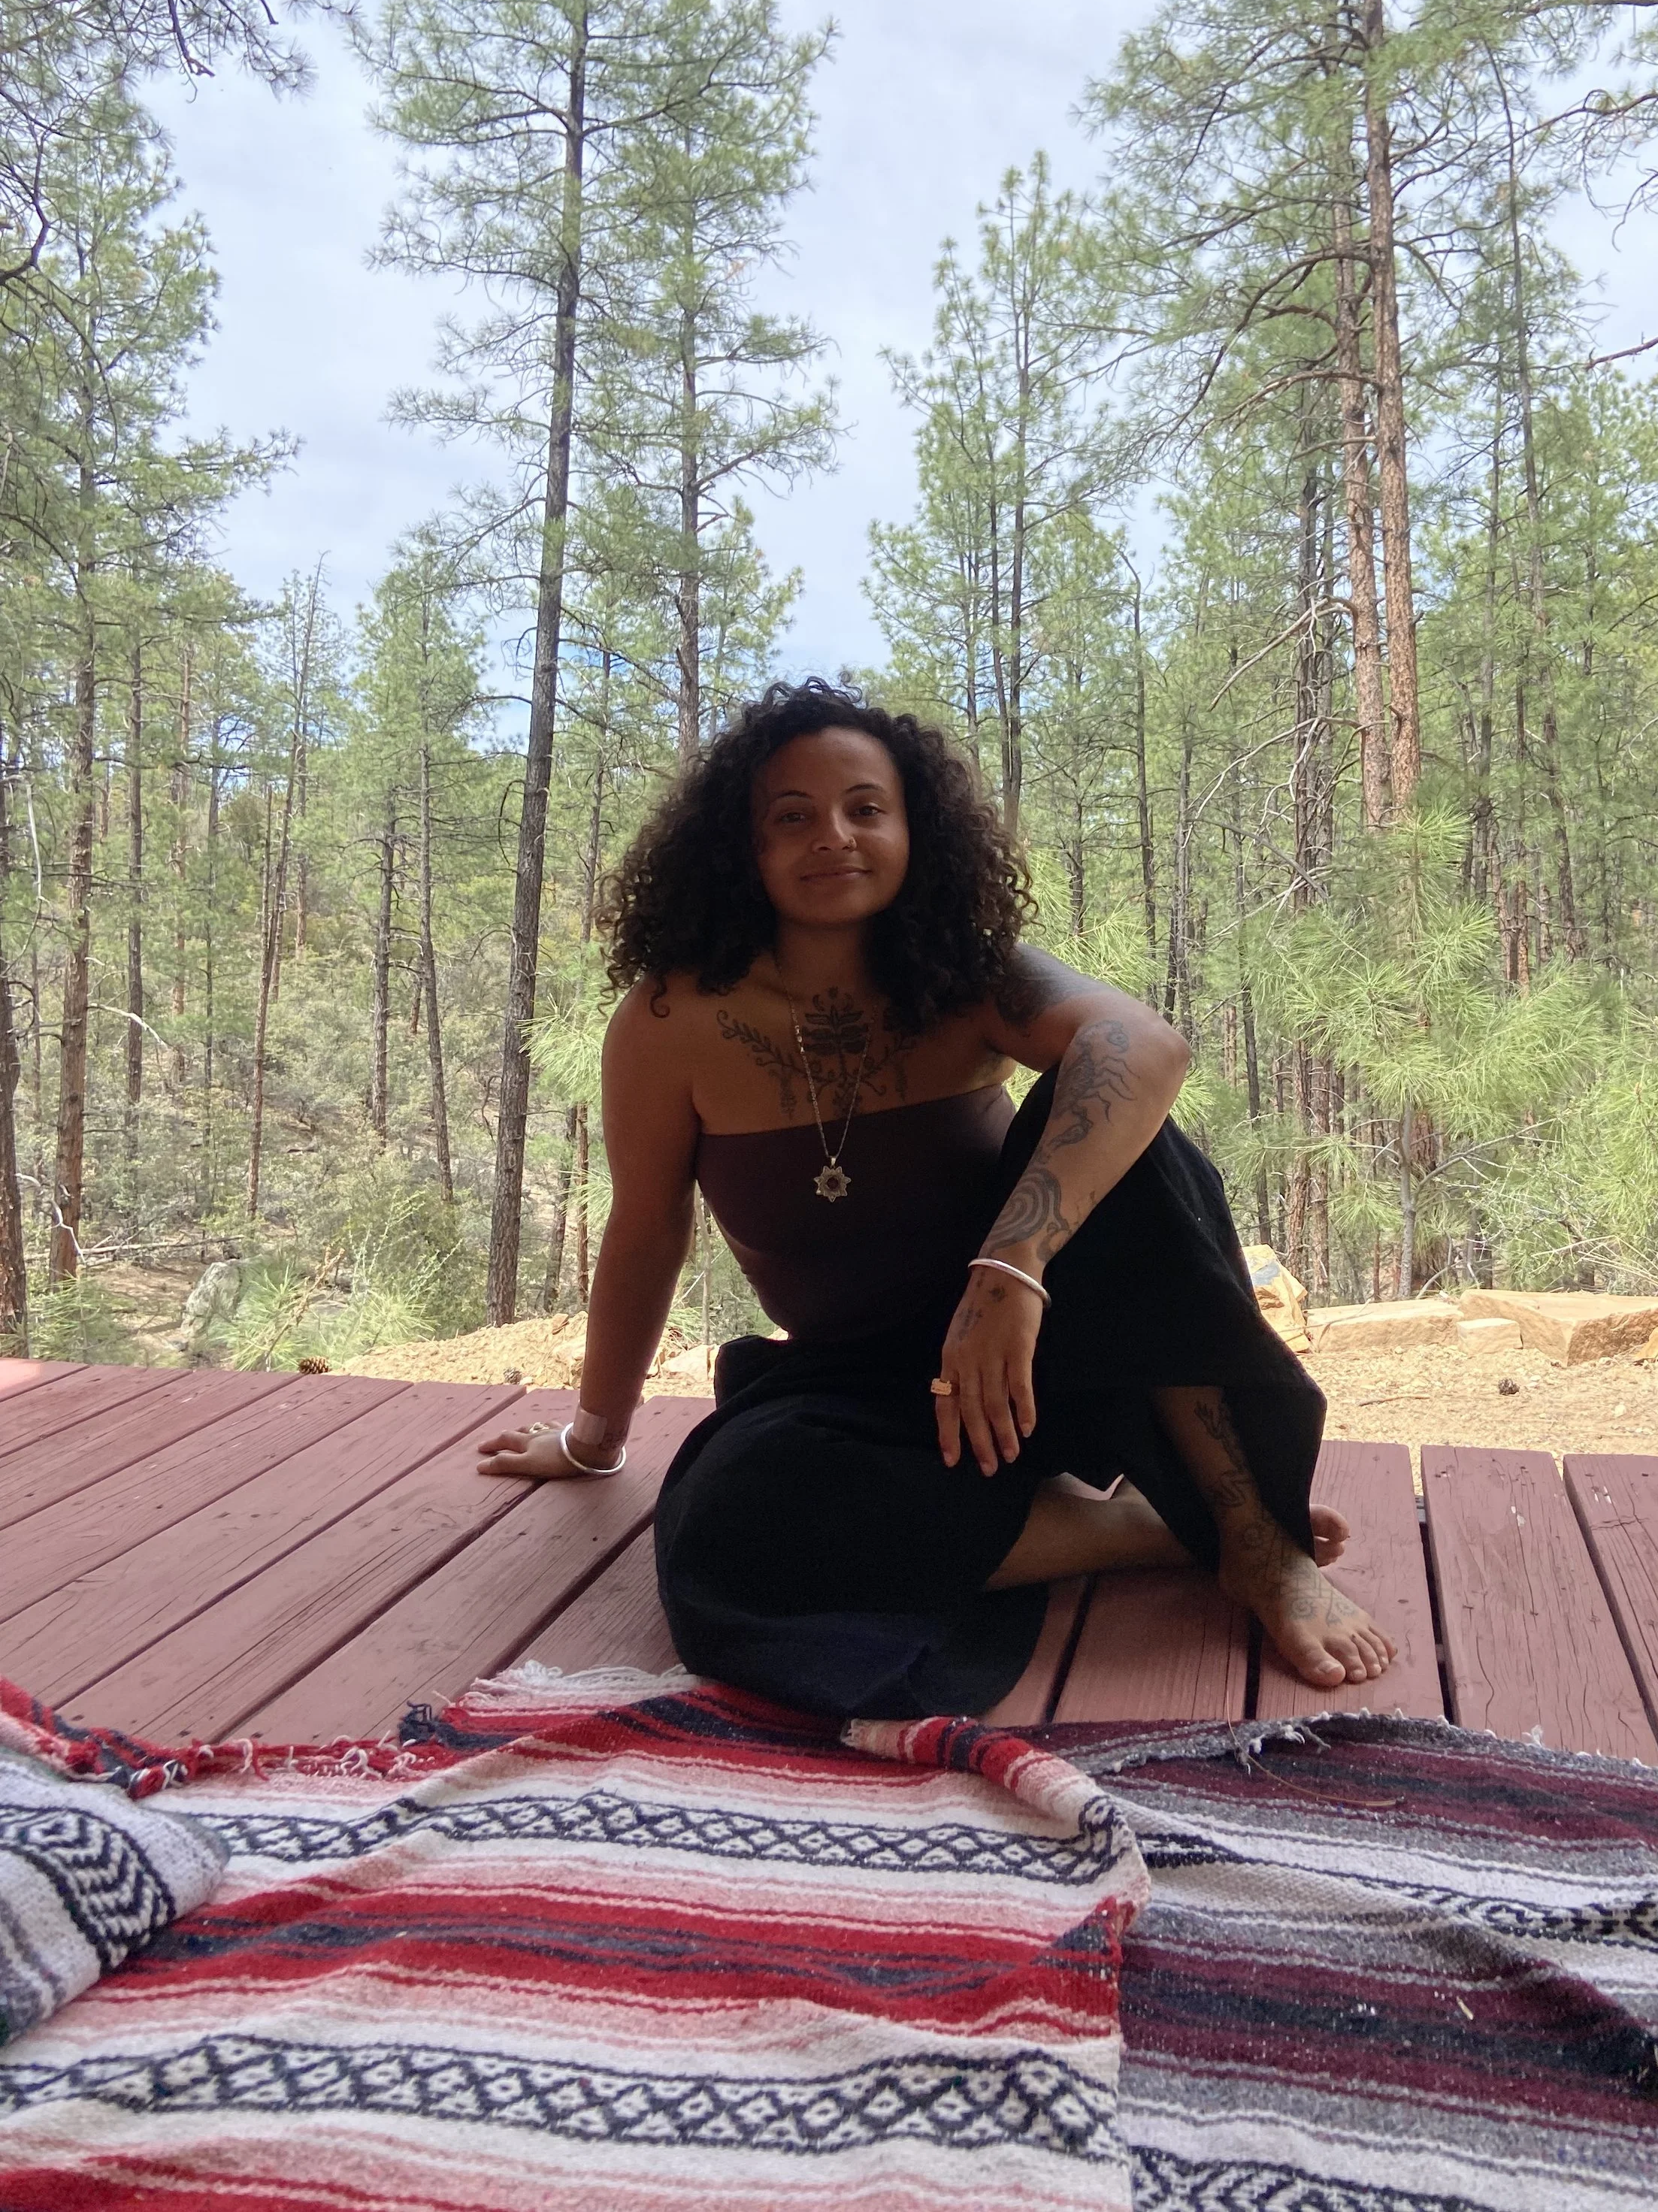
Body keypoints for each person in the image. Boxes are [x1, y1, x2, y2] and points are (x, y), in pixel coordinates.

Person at [477, 679, 1396, 1718]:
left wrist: (1012, 1269)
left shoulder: (963, 974)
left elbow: (1145, 1045)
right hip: (862, 1399)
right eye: (793, 816)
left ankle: (1255, 1541)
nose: (835, 836)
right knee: (723, 1525)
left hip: (1042, 1360)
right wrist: (597, 1438)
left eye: (866, 807)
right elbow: (646, 1234)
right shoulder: (671, 1021)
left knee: (1128, 1136)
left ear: (913, 828)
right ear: (743, 845)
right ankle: (1147, 1528)